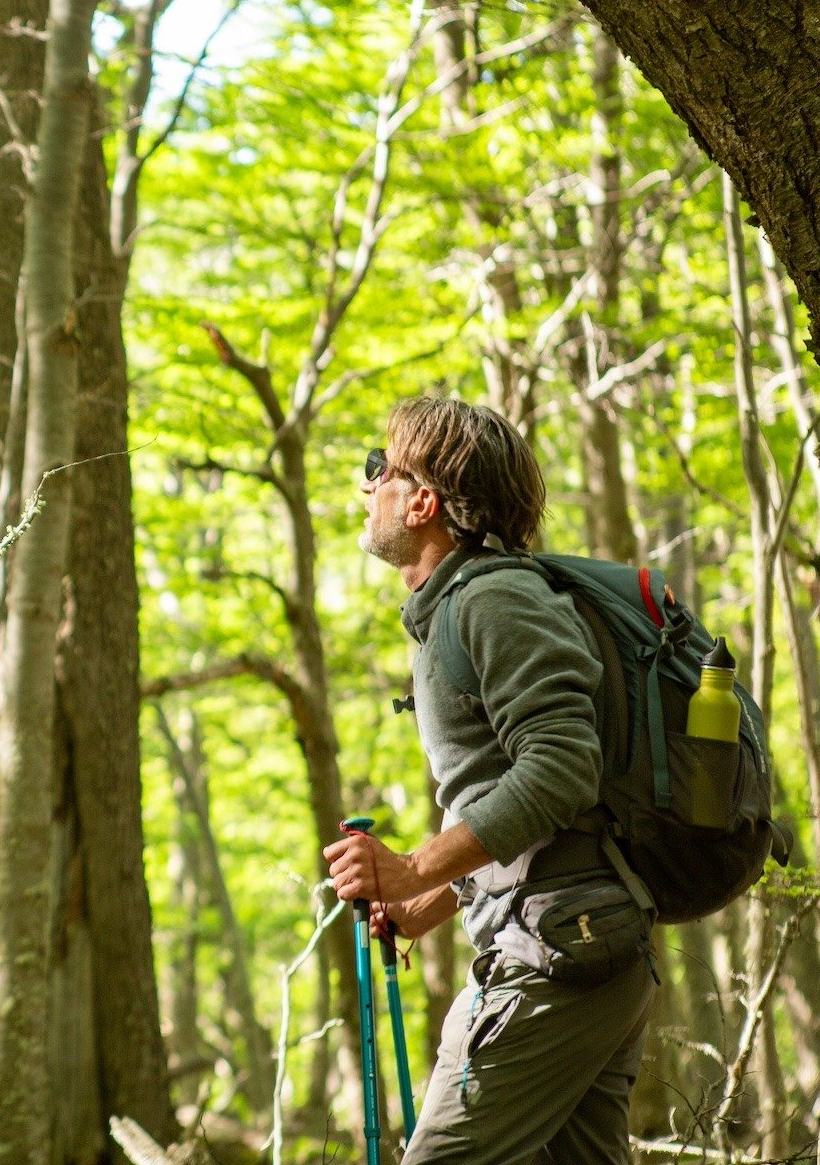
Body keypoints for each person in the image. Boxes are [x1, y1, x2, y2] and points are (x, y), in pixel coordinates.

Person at [323, 396, 654, 1164]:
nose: (367, 485)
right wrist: (424, 900)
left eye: (380, 469)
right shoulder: (459, 610)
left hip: (555, 956)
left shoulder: (492, 598)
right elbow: (527, 806)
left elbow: (563, 766)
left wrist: (410, 867)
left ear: (424, 501)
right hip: (579, 944)